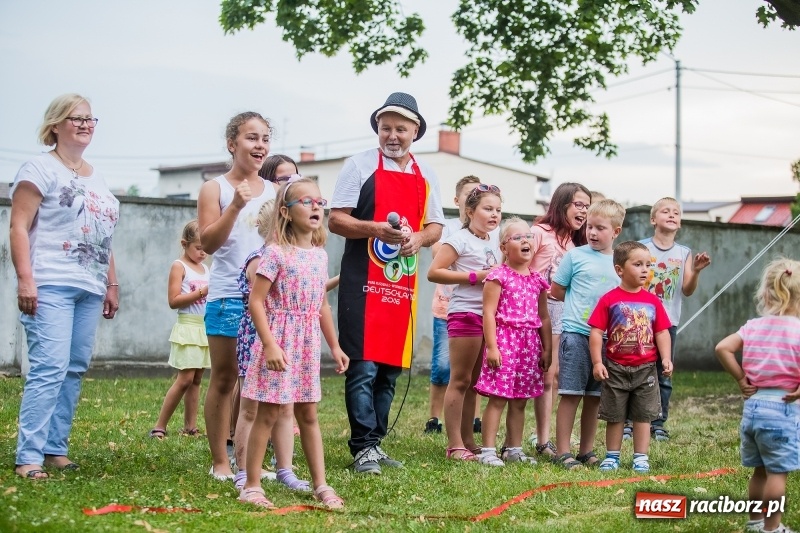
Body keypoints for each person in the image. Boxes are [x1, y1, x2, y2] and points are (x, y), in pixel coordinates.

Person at [329, 92, 444, 475]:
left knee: (390, 370)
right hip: (362, 281)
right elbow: (336, 220)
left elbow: (435, 226)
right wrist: (374, 229)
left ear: (415, 131)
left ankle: (375, 443)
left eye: (400, 129)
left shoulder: (426, 174)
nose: (392, 136)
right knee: (363, 366)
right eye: (385, 128)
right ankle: (362, 446)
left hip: (400, 284)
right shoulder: (358, 165)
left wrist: (419, 239)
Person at [10, 94, 120, 479]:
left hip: (90, 286)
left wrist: (111, 283)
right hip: (50, 281)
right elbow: (18, 227)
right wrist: (26, 279)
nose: (86, 124)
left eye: (90, 118)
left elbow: (103, 235)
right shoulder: (38, 168)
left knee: (73, 368)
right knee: (50, 368)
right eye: (77, 118)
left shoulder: (97, 176)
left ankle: (55, 448)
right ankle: (28, 456)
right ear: (55, 125)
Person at [239, 177, 349, 509]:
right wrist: (270, 344)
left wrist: (335, 346)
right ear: (286, 212)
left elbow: (321, 306)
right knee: (269, 413)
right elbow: (256, 301)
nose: (316, 207)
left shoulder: (320, 256)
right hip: (279, 342)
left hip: (306, 346)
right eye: (307, 202)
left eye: (319, 202)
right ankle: (252, 485)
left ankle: (321, 485)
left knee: (309, 415)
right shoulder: (274, 253)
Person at [197, 112, 276, 481]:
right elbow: (208, 243)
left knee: (259, 383)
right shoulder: (214, 189)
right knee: (226, 378)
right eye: (251, 137)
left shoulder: (275, 192)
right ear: (232, 144)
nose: (260, 145)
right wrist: (235, 206)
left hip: (268, 300)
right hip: (228, 297)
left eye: (265, 138)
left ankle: (252, 463)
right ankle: (220, 462)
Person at [715, 257, 800, 533]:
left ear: (764, 294)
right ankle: (772, 528)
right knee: (778, 473)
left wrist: (741, 379)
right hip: (783, 409)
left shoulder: (752, 326)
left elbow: (722, 348)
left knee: (760, 471)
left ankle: (755, 521)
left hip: (754, 408)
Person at [627, 197, 711, 442]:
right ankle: (629, 423)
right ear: (653, 219)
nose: (672, 215)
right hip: (639, 321)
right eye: (665, 211)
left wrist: (696, 271)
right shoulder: (641, 248)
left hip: (667, 323)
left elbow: (687, 289)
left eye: (676, 212)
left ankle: (658, 422)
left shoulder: (684, 253)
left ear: (680, 222)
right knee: (633, 372)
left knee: (663, 374)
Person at [550, 199, 625, 470]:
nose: (592, 232)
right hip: (576, 334)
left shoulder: (620, 263)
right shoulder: (575, 256)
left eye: (600, 228)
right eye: (589, 227)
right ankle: (563, 451)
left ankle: (586, 450)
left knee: (595, 397)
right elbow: (557, 290)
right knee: (571, 394)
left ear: (616, 232)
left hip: (607, 339)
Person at [428, 184, 501, 461]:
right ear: (470, 212)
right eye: (488, 208)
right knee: (459, 380)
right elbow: (435, 272)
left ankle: (469, 440)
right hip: (465, 314)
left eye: (498, 210)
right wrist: (475, 276)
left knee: (474, 383)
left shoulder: (494, 241)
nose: (494, 214)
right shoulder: (459, 239)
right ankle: (454, 444)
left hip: (488, 317)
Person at [588, 241, 673, 474]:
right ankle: (612, 456)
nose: (645, 270)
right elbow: (596, 332)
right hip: (615, 368)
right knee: (615, 416)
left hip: (646, 369)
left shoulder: (653, 301)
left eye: (648, 265)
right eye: (638, 264)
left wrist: (666, 358)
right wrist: (597, 362)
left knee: (643, 416)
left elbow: (662, 332)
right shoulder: (609, 299)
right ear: (619, 270)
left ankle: (641, 457)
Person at [474, 218, 552, 466]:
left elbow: (544, 317)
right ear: (504, 248)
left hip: (529, 346)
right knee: (498, 398)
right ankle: (488, 451)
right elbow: (488, 313)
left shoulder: (537, 280)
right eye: (517, 238)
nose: (525, 241)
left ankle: (513, 450)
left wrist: (547, 348)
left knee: (520, 401)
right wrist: (492, 347)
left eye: (528, 236)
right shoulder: (498, 276)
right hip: (505, 342)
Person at [528, 182, 591, 459]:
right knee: (532, 374)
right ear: (562, 204)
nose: (584, 211)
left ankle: (543, 439)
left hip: (562, 313)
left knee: (550, 376)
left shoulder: (577, 244)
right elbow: (517, 266)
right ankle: (522, 439)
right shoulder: (539, 232)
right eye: (578, 204)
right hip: (532, 311)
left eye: (587, 206)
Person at [425, 175, 484, 435]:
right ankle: (434, 418)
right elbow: (438, 256)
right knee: (442, 367)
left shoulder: (488, 235)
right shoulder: (449, 229)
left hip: (480, 312)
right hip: (447, 308)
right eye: (469, 194)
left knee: (474, 371)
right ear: (458, 200)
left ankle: (474, 420)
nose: (474, 197)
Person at [149, 220, 210, 439]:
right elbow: (173, 300)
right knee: (184, 379)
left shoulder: (205, 268)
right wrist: (202, 292)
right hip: (188, 327)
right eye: (198, 248)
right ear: (185, 244)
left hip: (204, 328)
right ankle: (160, 425)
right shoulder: (179, 266)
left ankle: (190, 426)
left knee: (197, 379)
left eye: (205, 248)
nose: (203, 253)